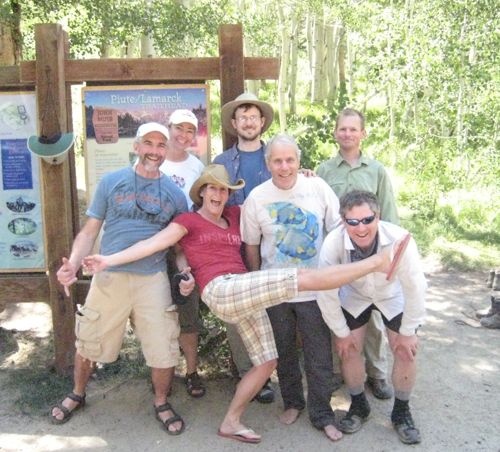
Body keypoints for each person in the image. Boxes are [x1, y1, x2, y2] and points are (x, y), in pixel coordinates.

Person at [82, 165, 400, 444]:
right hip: (220, 289)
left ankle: (231, 421)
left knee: (267, 360)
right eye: (212, 189)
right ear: (202, 193)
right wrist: (109, 259)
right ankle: (376, 262)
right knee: (301, 276)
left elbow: (277, 194)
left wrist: (303, 178)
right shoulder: (187, 220)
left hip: (244, 292)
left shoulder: (236, 215)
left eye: (223, 190)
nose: (218, 195)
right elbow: (154, 244)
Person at [52, 122, 188, 435]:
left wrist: (184, 270)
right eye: (149, 144)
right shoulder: (111, 182)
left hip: (151, 279)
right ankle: (78, 392)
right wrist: (72, 265)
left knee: (163, 344)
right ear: (137, 147)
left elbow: (178, 247)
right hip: (108, 276)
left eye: (160, 146)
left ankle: (161, 400)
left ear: (166, 151)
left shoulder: (174, 194)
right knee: (90, 338)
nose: (154, 151)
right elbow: (89, 231)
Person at [241, 134, 343, 441]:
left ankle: (322, 413)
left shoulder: (318, 187)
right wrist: (258, 279)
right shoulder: (257, 197)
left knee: (318, 353)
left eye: (290, 160)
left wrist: (336, 274)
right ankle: (293, 402)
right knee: (283, 350)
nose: (284, 167)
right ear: (267, 162)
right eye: (277, 160)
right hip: (276, 289)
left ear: (299, 161)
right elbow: (251, 245)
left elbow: (338, 230)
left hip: (315, 287)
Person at [317, 190, 426, 445]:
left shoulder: (400, 240)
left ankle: (401, 412)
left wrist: (408, 331)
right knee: (348, 348)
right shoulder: (333, 243)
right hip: (354, 293)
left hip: (392, 293)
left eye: (367, 219)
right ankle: (359, 405)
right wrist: (341, 332)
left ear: (378, 216)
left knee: (405, 351)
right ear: (343, 221)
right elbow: (325, 290)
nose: (361, 227)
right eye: (352, 222)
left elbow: (416, 287)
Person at [316, 107, 399, 399]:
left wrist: (389, 256)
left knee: (374, 314)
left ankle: (376, 372)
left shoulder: (376, 170)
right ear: (336, 132)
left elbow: (388, 215)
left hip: (372, 253)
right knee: (339, 309)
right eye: (343, 128)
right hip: (339, 254)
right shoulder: (324, 171)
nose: (347, 134)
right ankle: (344, 371)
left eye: (353, 129)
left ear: (362, 134)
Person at [213, 92, 275, 402]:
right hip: (234, 246)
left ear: (262, 122)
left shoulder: (277, 156)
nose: (248, 122)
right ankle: (247, 372)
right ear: (234, 124)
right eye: (242, 118)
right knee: (240, 311)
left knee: (278, 307)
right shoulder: (222, 163)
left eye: (253, 117)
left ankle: (277, 370)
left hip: (274, 245)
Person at [160, 109, 206, 397]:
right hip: (154, 247)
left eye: (190, 130)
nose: (184, 135)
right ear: (169, 128)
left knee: (188, 311)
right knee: (156, 311)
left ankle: (191, 371)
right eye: (179, 128)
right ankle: (160, 370)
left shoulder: (197, 167)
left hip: (186, 248)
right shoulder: (155, 162)